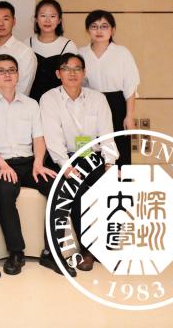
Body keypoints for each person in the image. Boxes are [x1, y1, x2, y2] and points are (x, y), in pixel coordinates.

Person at [0, 53, 65, 276]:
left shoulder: (31, 104)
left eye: (11, 70)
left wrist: (39, 163)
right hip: (1, 163)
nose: (7, 75)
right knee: (4, 193)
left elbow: (39, 138)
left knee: (59, 188)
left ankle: (51, 252)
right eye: (1, 71)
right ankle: (16, 252)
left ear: (18, 74)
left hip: (29, 162)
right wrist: (3, 166)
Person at [40, 52, 118, 272]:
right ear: (58, 74)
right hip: (64, 157)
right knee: (78, 190)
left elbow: (107, 135)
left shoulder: (97, 98)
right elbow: (53, 140)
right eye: (66, 69)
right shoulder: (49, 99)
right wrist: (67, 168)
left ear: (84, 73)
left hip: (91, 156)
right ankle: (87, 250)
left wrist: (110, 165)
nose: (72, 73)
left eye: (77, 69)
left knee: (115, 184)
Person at [80, 10, 140, 167]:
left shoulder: (122, 53)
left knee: (119, 150)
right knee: (89, 152)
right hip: (89, 106)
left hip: (117, 105)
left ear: (113, 29)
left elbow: (130, 86)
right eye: (94, 26)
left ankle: (120, 183)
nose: (99, 30)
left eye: (104, 26)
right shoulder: (81, 54)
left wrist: (129, 116)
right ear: (88, 30)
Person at [0, 1, 36, 98]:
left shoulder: (25, 52)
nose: (0, 23)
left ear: (14, 21)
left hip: (14, 106)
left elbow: (23, 88)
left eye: (6, 19)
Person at [27, 0, 76, 101]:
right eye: (43, 16)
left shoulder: (68, 45)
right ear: (36, 19)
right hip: (31, 100)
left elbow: (73, 78)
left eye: (52, 16)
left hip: (60, 101)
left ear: (59, 20)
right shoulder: (27, 43)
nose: (47, 20)